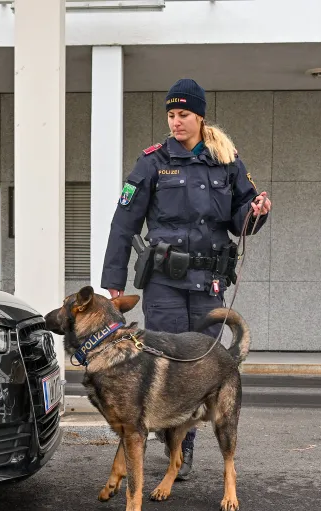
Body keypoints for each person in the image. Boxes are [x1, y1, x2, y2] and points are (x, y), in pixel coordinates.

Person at [101, 78, 271, 480]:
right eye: (171, 115)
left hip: (209, 281)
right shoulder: (152, 162)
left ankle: (182, 443)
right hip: (164, 283)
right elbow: (123, 223)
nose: (176, 122)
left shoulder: (226, 161)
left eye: (183, 115)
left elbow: (241, 215)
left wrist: (259, 209)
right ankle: (178, 446)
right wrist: (114, 280)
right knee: (164, 360)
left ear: (200, 117)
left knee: (202, 364)